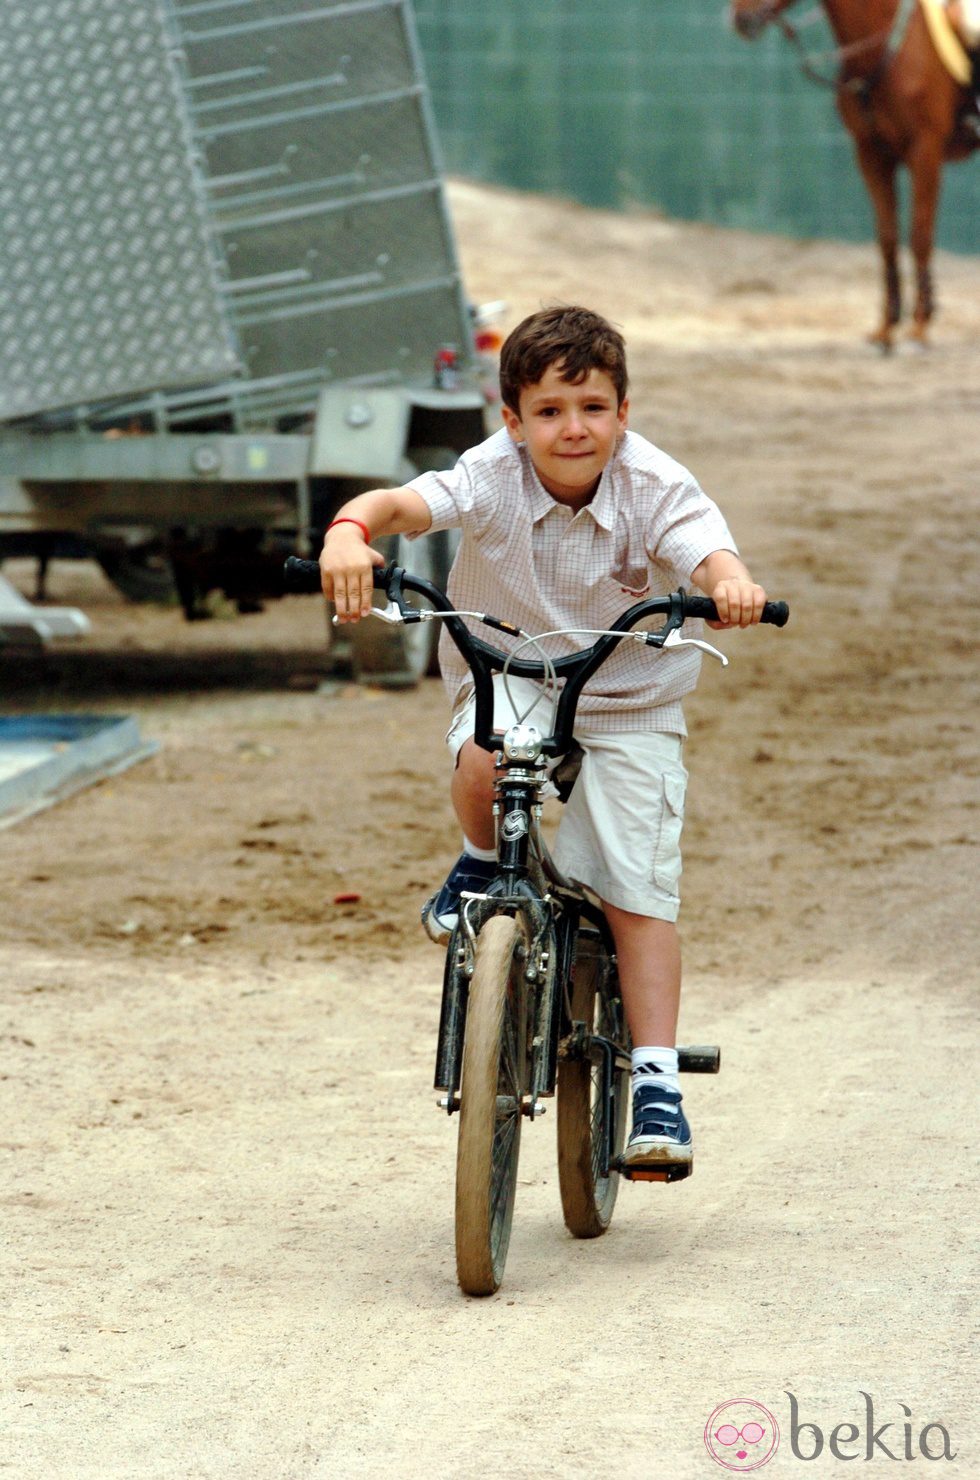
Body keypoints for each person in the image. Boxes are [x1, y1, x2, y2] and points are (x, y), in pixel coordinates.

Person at [319, 305, 768, 1172]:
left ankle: (658, 1083)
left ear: (624, 414)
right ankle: (481, 860)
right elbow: (400, 502)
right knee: (486, 756)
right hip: (514, 673)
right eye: (551, 411)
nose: (574, 429)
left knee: (635, 882)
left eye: (594, 408)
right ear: (513, 420)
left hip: (627, 694)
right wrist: (349, 532)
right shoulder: (490, 476)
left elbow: (707, 551)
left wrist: (733, 583)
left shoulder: (656, 485)